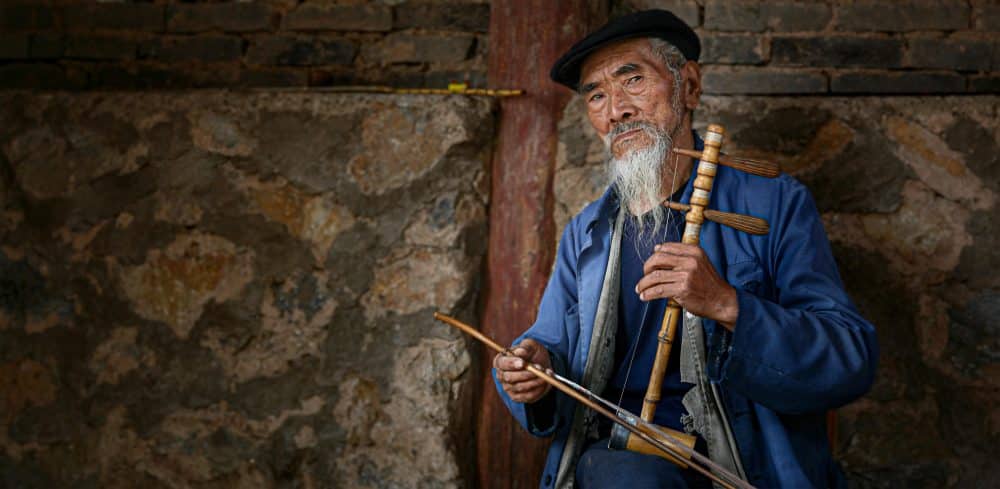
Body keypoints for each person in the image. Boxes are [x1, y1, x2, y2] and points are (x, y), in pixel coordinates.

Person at [492, 9, 878, 489]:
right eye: (596, 95)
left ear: (689, 86)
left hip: (742, 467)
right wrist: (531, 375)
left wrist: (727, 304)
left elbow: (851, 359)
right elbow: (547, 347)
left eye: (632, 80)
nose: (616, 110)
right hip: (618, 462)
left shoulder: (774, 203)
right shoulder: (587, 232)